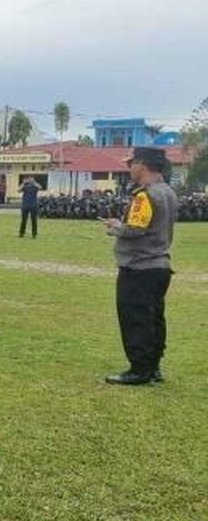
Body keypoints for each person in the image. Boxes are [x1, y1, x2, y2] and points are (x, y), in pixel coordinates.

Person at [102, 147, 178, 386]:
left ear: (142, 165)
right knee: (154, 318)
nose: (130, 168)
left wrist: (116, 226)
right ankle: (153, 366)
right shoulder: (168, 192)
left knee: (135, 318)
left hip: (139, 266)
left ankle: (139, 369)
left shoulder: (145, 195)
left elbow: (135, 229)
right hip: (159, 266)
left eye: (131, 164)